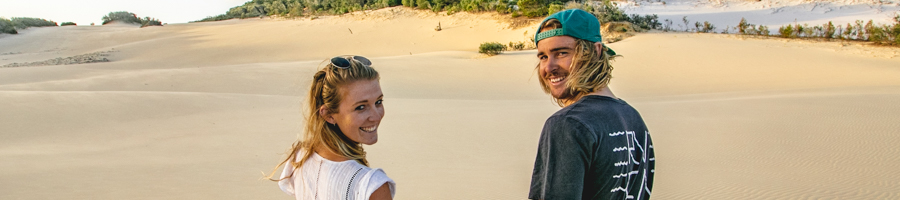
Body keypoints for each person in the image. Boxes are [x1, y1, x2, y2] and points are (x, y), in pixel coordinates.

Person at [528, 9, 655, 200]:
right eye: (543, 57)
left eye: (561, 53)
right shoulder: (632, 118)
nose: (548, 67)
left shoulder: (568, 124)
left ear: (595, 51)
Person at [269, 55, 395, 200]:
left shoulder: (301, 156)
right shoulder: (370, 185)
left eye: (378, 102)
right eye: (361, 107)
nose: (376, 116)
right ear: (329, 114)